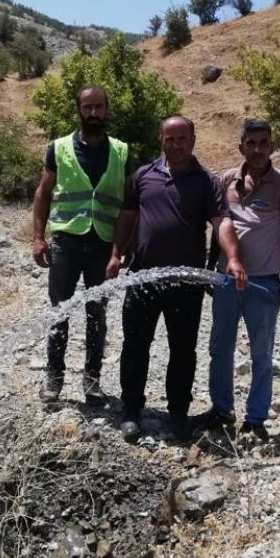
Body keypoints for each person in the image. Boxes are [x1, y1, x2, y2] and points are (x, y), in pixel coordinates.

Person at [105, 114, 247, 441]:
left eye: (182, 138)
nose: (176, 144)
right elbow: (127, 218)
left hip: (186, 282)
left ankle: (178, 413)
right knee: (135, 344)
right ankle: (130, 409)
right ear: (161, 140)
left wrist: (233, 258)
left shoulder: (207, 181)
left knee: (182, 349)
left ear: (193, 140)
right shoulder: (143, 175)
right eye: (170, 138)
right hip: (143, 276)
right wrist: (115, 255)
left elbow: (221, 222)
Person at [198, 118, 280, 442]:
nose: (257, 149)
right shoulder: (226, 181)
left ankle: (256, 419)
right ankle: (222, 411)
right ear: (241, 147)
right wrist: (209, 268)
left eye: (263, 143)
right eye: (251, 143)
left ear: (271, 147)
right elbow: (218, 228)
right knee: (220, 348)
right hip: (227, 281)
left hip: (264, 283)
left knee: (261, 353)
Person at [32, 85, 130, 404]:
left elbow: (130, 205)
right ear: (79, 110)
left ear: (107, 109)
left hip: (102, 247)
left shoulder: (121, 151)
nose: (93, 113)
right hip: (66, 244)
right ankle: (54, 378)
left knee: (96, 316)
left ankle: (92, 382)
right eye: (87, 107)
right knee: (60, 312)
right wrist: (37, 238)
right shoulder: (58, 148)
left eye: (99, 107)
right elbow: (43, 195)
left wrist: (121, 248)